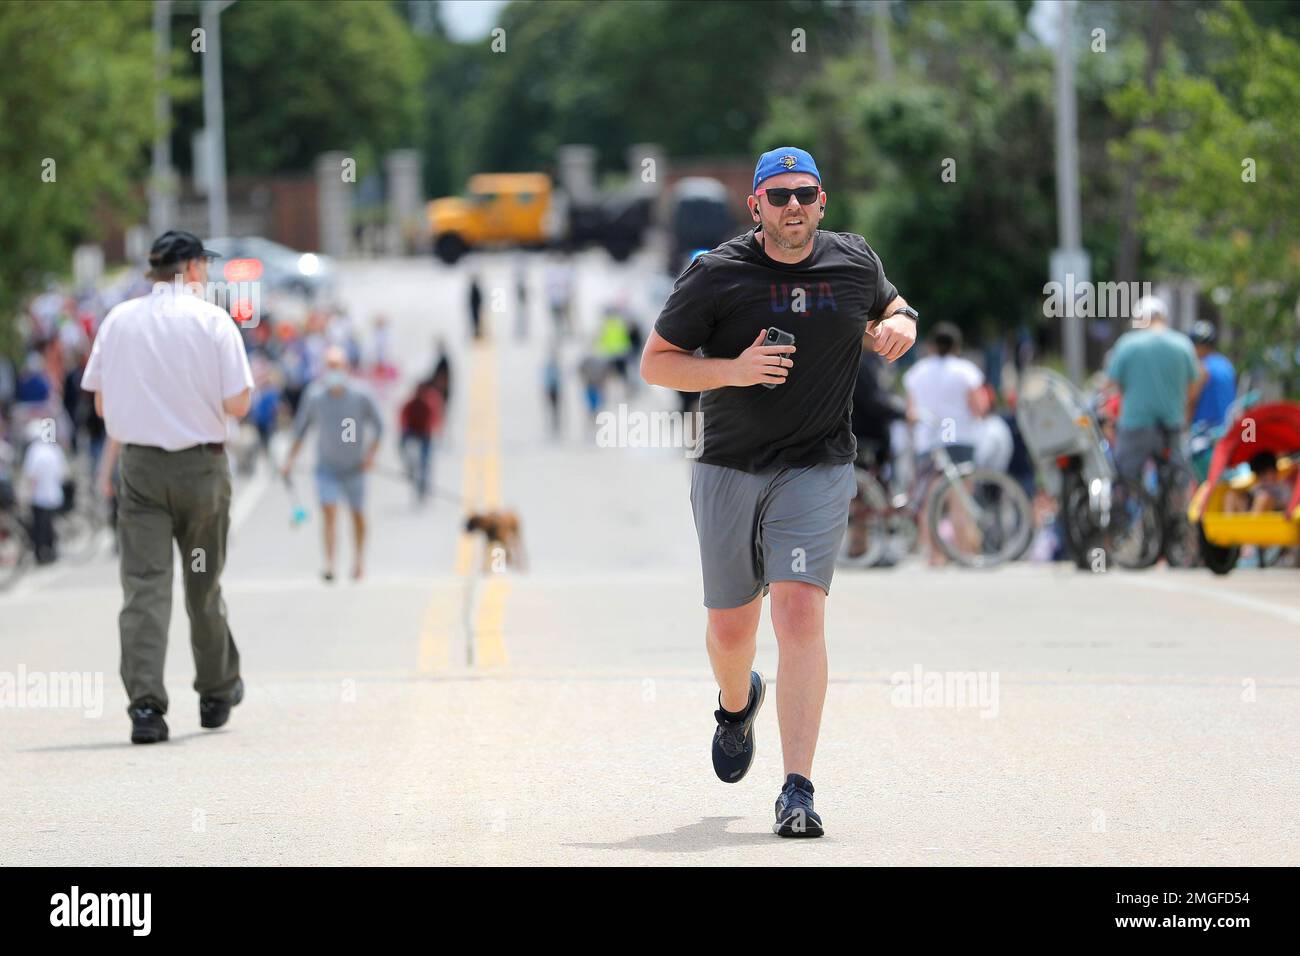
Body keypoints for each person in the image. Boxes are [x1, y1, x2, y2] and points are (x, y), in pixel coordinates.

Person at [640, 146, 916, 838]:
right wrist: (733, 369)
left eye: (806, 194)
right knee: (732, 627)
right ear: (755, 206)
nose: (794, 206)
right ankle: (737, 706)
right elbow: (657, 363)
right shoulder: (717, 275)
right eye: (779, 195)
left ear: (822, 202)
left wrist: (899, 326)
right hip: (728, 465)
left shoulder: (853, 262)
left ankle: (798, 789)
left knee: (798, 618)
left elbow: (896, 306)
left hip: (817, 466)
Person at [80, 230, 252, 745]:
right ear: (194, 268)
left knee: (145, 588)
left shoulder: (118, 321)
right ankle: (217, 690)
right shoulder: (213, 322)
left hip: (142, 473)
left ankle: (147, 708)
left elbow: (102, 407)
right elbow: (239, 404)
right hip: (200, 471)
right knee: (204, 585)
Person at [281, 346, 383, 582]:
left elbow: (380, 427)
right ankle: (330, 564)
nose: (334, 371)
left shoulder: (361, 395)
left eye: (338, 366)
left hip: (355, 468)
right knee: (329, 511)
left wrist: (371, 456)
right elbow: (301, 430)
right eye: (330, 366)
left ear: (345, 367)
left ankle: (358, 562)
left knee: (357, 514)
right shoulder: (315, 396)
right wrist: (289, 460)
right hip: (326, 468)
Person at [1105, 295, 1204, 484]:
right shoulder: (1182, 344)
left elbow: (1112, 384)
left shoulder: (1128, 344)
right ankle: (1174, 509)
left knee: (1125, 480)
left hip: (1135, 423)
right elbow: (1195, 382)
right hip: (1171, 423)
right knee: (1176, 477)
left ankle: (1122, 510)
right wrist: (1184, 409)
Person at [20, 419, 67, 564]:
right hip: (54, 494)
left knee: (39, 527)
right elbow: (63, 473)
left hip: (39, 496)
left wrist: (25, 494)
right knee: (50, 524)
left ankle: (40, 554)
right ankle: (52, 551)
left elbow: (31, 475)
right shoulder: (54, 449)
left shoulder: (34, 451)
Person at [399, 380, 444, 503]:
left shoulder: (426, 404)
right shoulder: (410, 404)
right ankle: (412, 473)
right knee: (409, 456)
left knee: (425, 462)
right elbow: (403, 418)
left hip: (424, 435)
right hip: (412, 434)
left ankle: (423, 486)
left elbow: (433, 420)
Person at [1187, 320, 1236, 432]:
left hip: (1204, 432)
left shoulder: (1201, 367)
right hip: (1226, 429)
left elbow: (1192, 401)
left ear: (1199, 345)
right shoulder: (1226, 364)